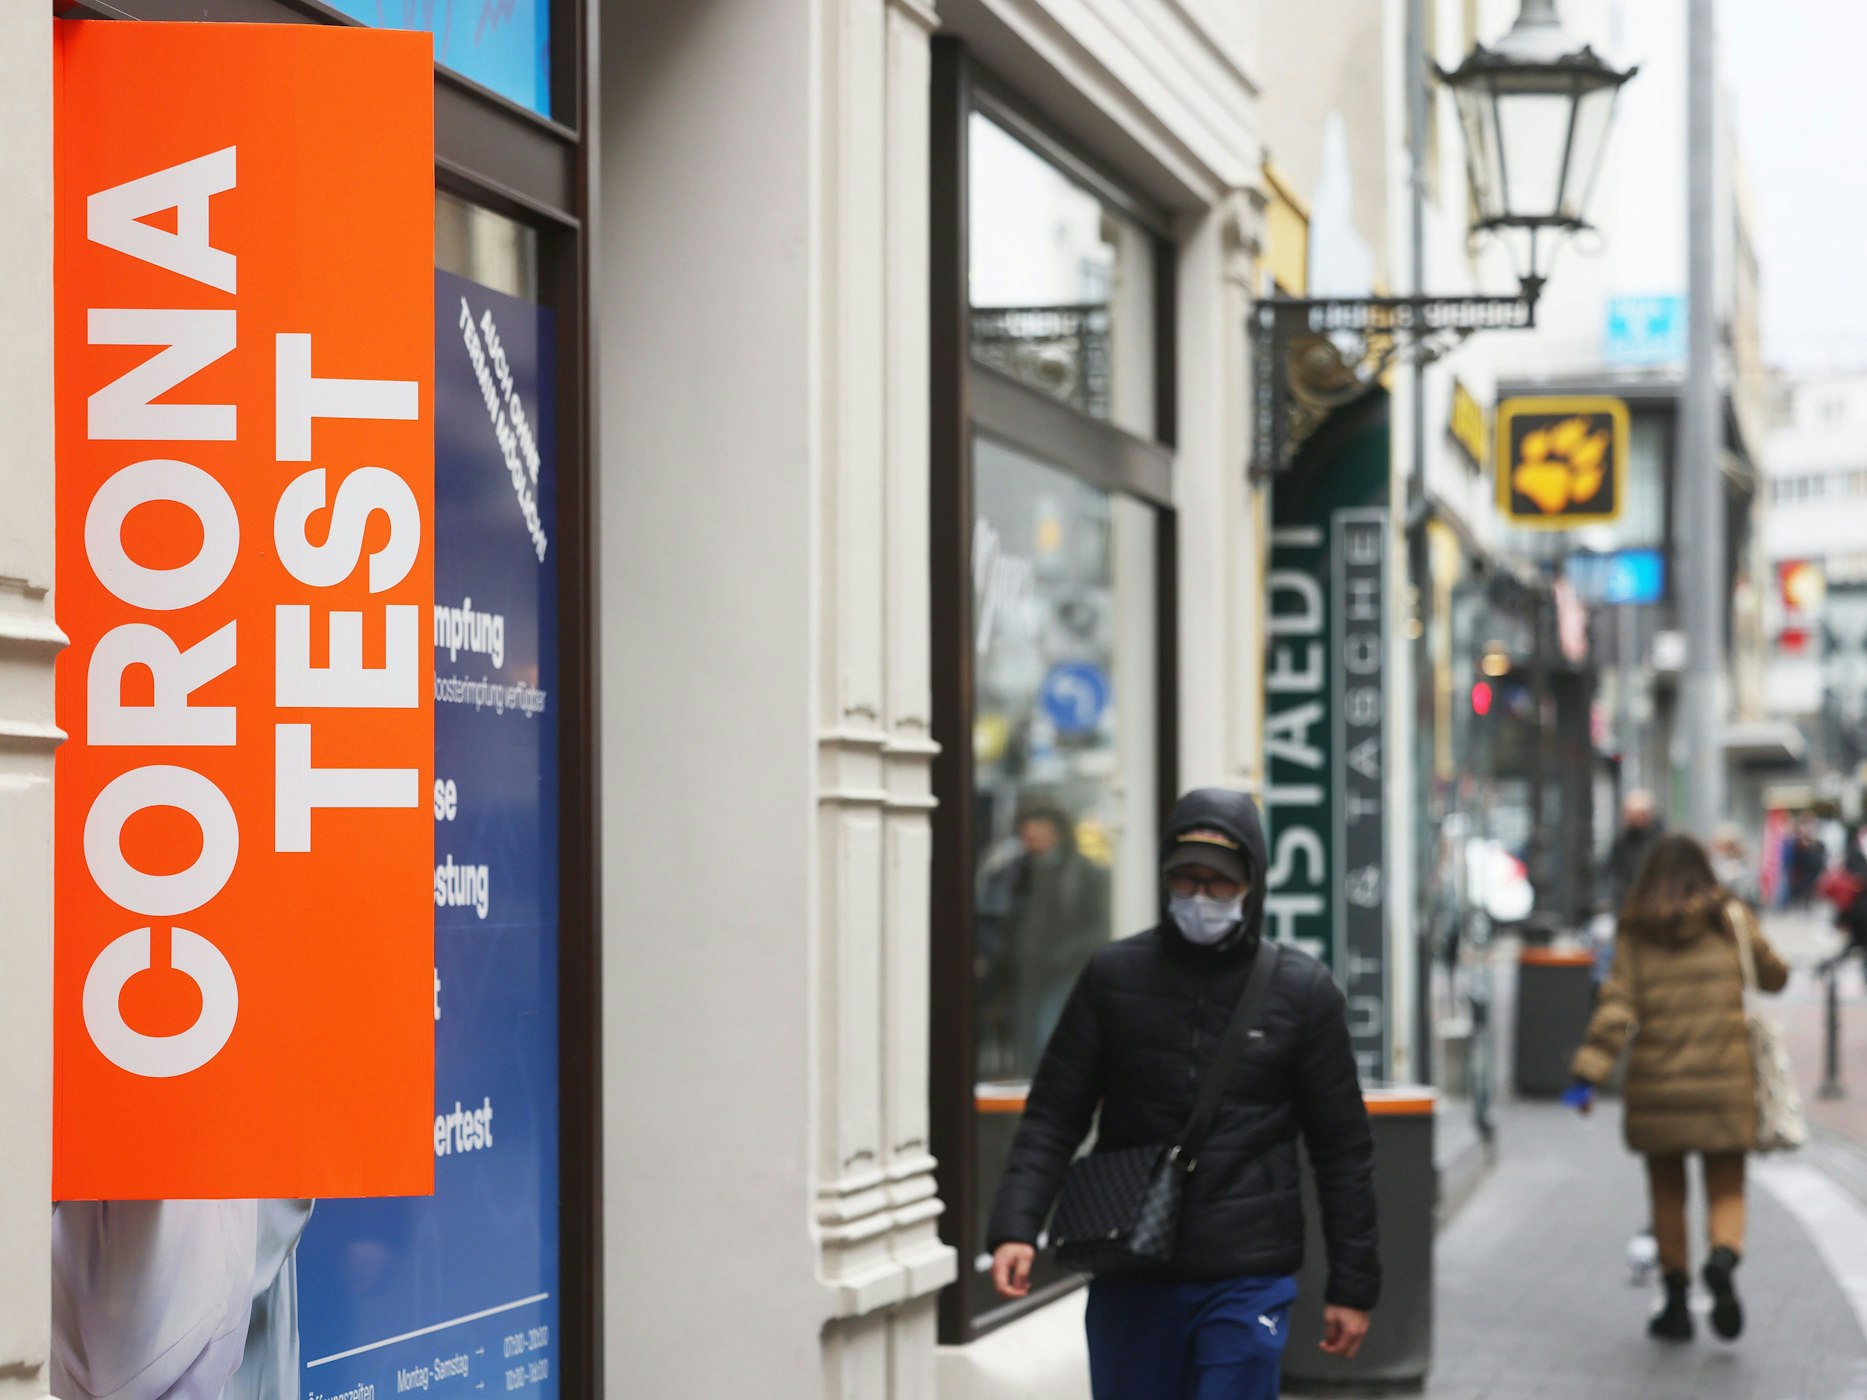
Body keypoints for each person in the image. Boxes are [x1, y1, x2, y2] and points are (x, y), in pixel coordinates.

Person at [985, 788, 1379, 1399]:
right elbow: (1055, 1114)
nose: (1200, 896)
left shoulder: (1301, 992)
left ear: (1251, 883)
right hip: (1129, 1266)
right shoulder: (1114, 976)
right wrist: (1016, 1225)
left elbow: (1343, 1149)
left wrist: (1353, 1287)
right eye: (1185, 879)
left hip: (1247, 1274)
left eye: (1219, 882)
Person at [1565, 833, 1789, 1345]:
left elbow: (1617, 1006)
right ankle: (1723, 1256)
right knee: (1726, 1184)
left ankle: (1676, 1305)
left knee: (1667, 1191)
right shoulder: (1729, 918)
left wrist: (1586, 1077)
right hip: (1725, 1083)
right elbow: (1774, 976)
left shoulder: (1636, 929)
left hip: (1658, 1086)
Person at [976, 799, 1112, 1078]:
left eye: (1040, 828)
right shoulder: (1012, 872)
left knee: (1050, 1040)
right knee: (1026, 1044)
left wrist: (1063, 956)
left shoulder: (1084, 873)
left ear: (1057, 831)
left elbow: (1097, 927)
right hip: (1022, 974)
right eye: (1027, 830)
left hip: (1065, 973)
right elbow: (995, 920)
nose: (1032, 836)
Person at [1603, 789, 1662, 914]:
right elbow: (1611, 868)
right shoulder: (1622, 840)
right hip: (1628, 900)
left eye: (1633, 815)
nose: (1629, 819)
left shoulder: (1660, 839)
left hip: (1655, 900)